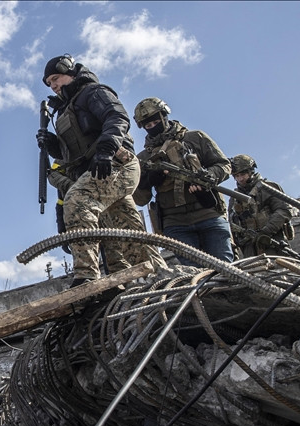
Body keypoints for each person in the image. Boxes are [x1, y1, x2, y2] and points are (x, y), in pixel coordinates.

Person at [35, 55, 164, 287]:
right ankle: (155, 279)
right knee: (124, 238)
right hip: (97, 174)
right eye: (49, 83)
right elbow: (72, 154)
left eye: (56, 78)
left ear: (71, 73)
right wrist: (53, 144)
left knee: (77, 199)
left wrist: (105, 150)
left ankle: (86, 275)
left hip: (116, 163)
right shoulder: (65, 110)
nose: (53, 85)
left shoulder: (92, 92)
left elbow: (117, 117)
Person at [132, 97, 234, 266]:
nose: (152, 128)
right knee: (193, 275)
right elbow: (140, 198)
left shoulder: (194, 138)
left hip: (208, 214)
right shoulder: (143, 158)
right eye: (147, 126)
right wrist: (148, 180)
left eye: (156, 122)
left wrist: (206, 177)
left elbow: (224, 165)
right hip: (175, 223)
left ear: (165, 116)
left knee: (226, 269)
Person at [227, 155, 295, 258]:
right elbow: (231, 222)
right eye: (236, 176)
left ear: (251, 171)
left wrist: (266, 232)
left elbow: (284, 211)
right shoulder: (234, 197)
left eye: (243, 174)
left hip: (272, 241)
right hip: (248, 246)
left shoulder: (268, 188)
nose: (240, 179)